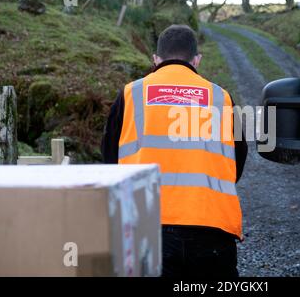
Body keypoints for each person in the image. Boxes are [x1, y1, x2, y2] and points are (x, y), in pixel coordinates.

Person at [101, 24, 248, 278]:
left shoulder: (130, 95)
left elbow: (109, 160)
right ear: (197, 60)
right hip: (211, 229)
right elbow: (238, 161)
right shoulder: (222, 98)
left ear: (156, 59)